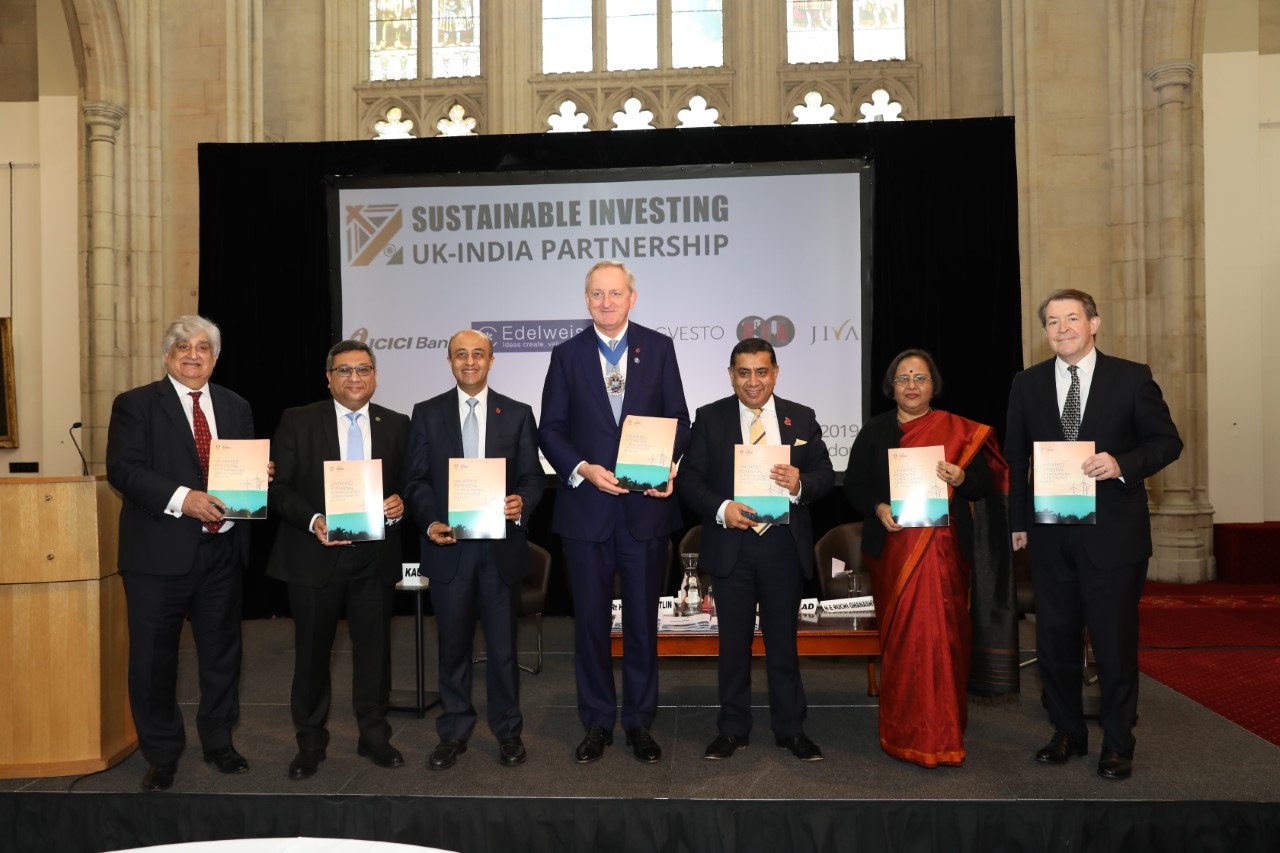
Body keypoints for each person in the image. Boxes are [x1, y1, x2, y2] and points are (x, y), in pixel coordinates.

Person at [1005, 289, 1182, 780]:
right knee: (1055, 642)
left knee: (1113, 645)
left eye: (1072, 318)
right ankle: (1067, 732)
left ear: (1094, 323)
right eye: (1052, 321)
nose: (1062, 328)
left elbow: (1167, 442)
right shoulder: (1027, 383)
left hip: (1113, 538)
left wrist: (1122, 463)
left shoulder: (1131, 377)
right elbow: (1015, 457)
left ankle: (1119, 743)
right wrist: (1017, 522)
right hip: (1050, 533)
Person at [538, 260, 690, 764]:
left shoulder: (659, 348)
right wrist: (583, 467)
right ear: (586, 300)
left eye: (615, 293)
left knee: (643, 624)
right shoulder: (566, 355)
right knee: (590, 626)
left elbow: (680, 421)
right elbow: (550, 429)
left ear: (632, 298)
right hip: (586, 513)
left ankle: (640, 722)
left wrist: (666, 466)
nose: (606, 302)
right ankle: (597, 722)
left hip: (646, 513)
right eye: (597, 294)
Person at [106, 315, 257, 791]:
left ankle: (219, 742)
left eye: (203, 347)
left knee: (222, 655)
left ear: (215, 357)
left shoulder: (236, 405)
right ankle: (162, 753)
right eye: (183, 347)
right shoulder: (135, 404)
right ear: (167, 355)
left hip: (223, 548)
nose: (193, 355)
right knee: (153, 661)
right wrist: (182, 498)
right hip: (156, 555)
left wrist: (258, 477)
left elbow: (240, 472)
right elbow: (123, 470)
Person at [843, 348, 1012, 768]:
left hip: (947, 551)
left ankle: (945, 733)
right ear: (891, 387)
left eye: (920, 377)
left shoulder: (958, 431)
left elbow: (985, 483)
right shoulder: (875, 430)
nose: (912, 385)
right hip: (893, 552)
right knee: (902, 643)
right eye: (903, 378)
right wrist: (878, 508)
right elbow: (855, 485)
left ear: (933, 385)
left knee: (946, 641)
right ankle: (902, 733)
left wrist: (962, 476)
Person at [678, 337, 834, 761]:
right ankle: (732, 729)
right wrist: (722, 509)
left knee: (783, 644)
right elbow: (690, 479)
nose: (753, 381)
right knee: (733, 646)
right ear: (731, 375)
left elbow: (825, 474)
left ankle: (791, 729)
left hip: (783, 547)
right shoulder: (710, 418)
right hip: (732, 546)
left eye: (761, 371)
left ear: (775, 373)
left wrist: (800, 484)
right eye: (744, 372)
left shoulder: (802, 417)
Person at [266, 340, 410, 780]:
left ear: (375, 376)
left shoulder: (397, 424)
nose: (354, 378)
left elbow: (410, 483)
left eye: (363, 369)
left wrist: (401, 504)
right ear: (328, 378)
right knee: (312, 654)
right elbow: (277, 487)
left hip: (375, 558)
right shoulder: (298, 420)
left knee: (375, 653)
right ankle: (310, 740)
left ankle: (374, 735)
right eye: (344, 370)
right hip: (315, 554)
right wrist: (314, 520)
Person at [404, 329, 545, 770]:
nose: (470, 362)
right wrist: (430, 521)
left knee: (503, 650)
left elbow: (533, 477)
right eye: (461, 355)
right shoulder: (426, 413)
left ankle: (508, 731)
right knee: (453, 648)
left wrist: (522, 503)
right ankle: (454, 731)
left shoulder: (518, 413)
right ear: (449, 361)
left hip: (500, 552)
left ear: (491, 360)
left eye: (478, 354)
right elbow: (416, 479)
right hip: (449, 549)